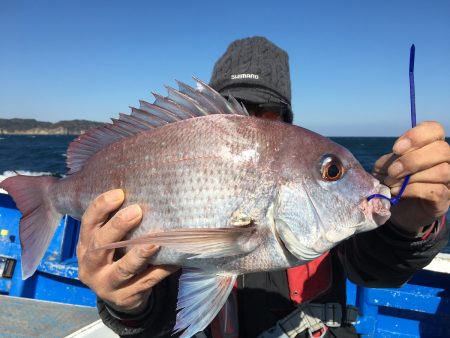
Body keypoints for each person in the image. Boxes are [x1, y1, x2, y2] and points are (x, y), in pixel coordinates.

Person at [76, 37, 450, 337]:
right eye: (232, 110)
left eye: (268, 118)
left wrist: (409, 225)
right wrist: (126, 305)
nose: (249, 130)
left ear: (287, 125)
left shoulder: (330, 215)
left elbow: (376, 266)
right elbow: (158, 321)